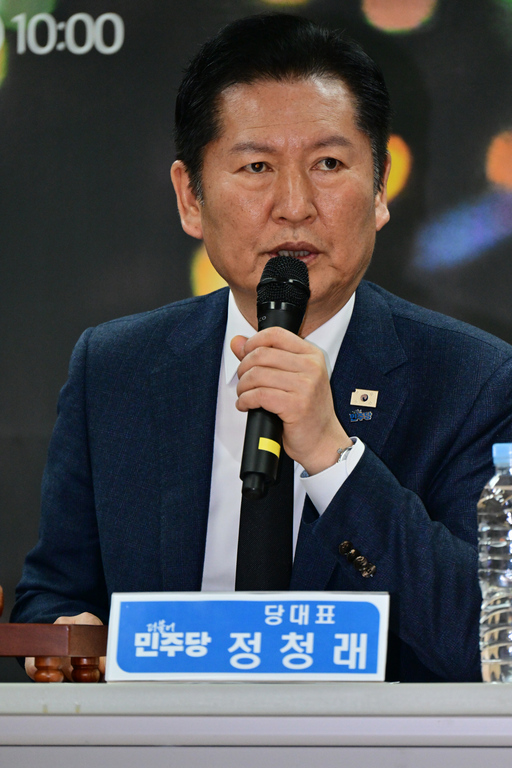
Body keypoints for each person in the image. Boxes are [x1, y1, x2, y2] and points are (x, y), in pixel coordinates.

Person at [12, 13, 512, 682]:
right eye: (256, 166)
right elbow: (52, 593)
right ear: (190, 198)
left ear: (379, 188)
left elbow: (490, 643)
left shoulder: (474, 381)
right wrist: (68, 633)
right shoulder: (115, 368)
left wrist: (334, 459)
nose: (294, 205)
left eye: (329, 163)